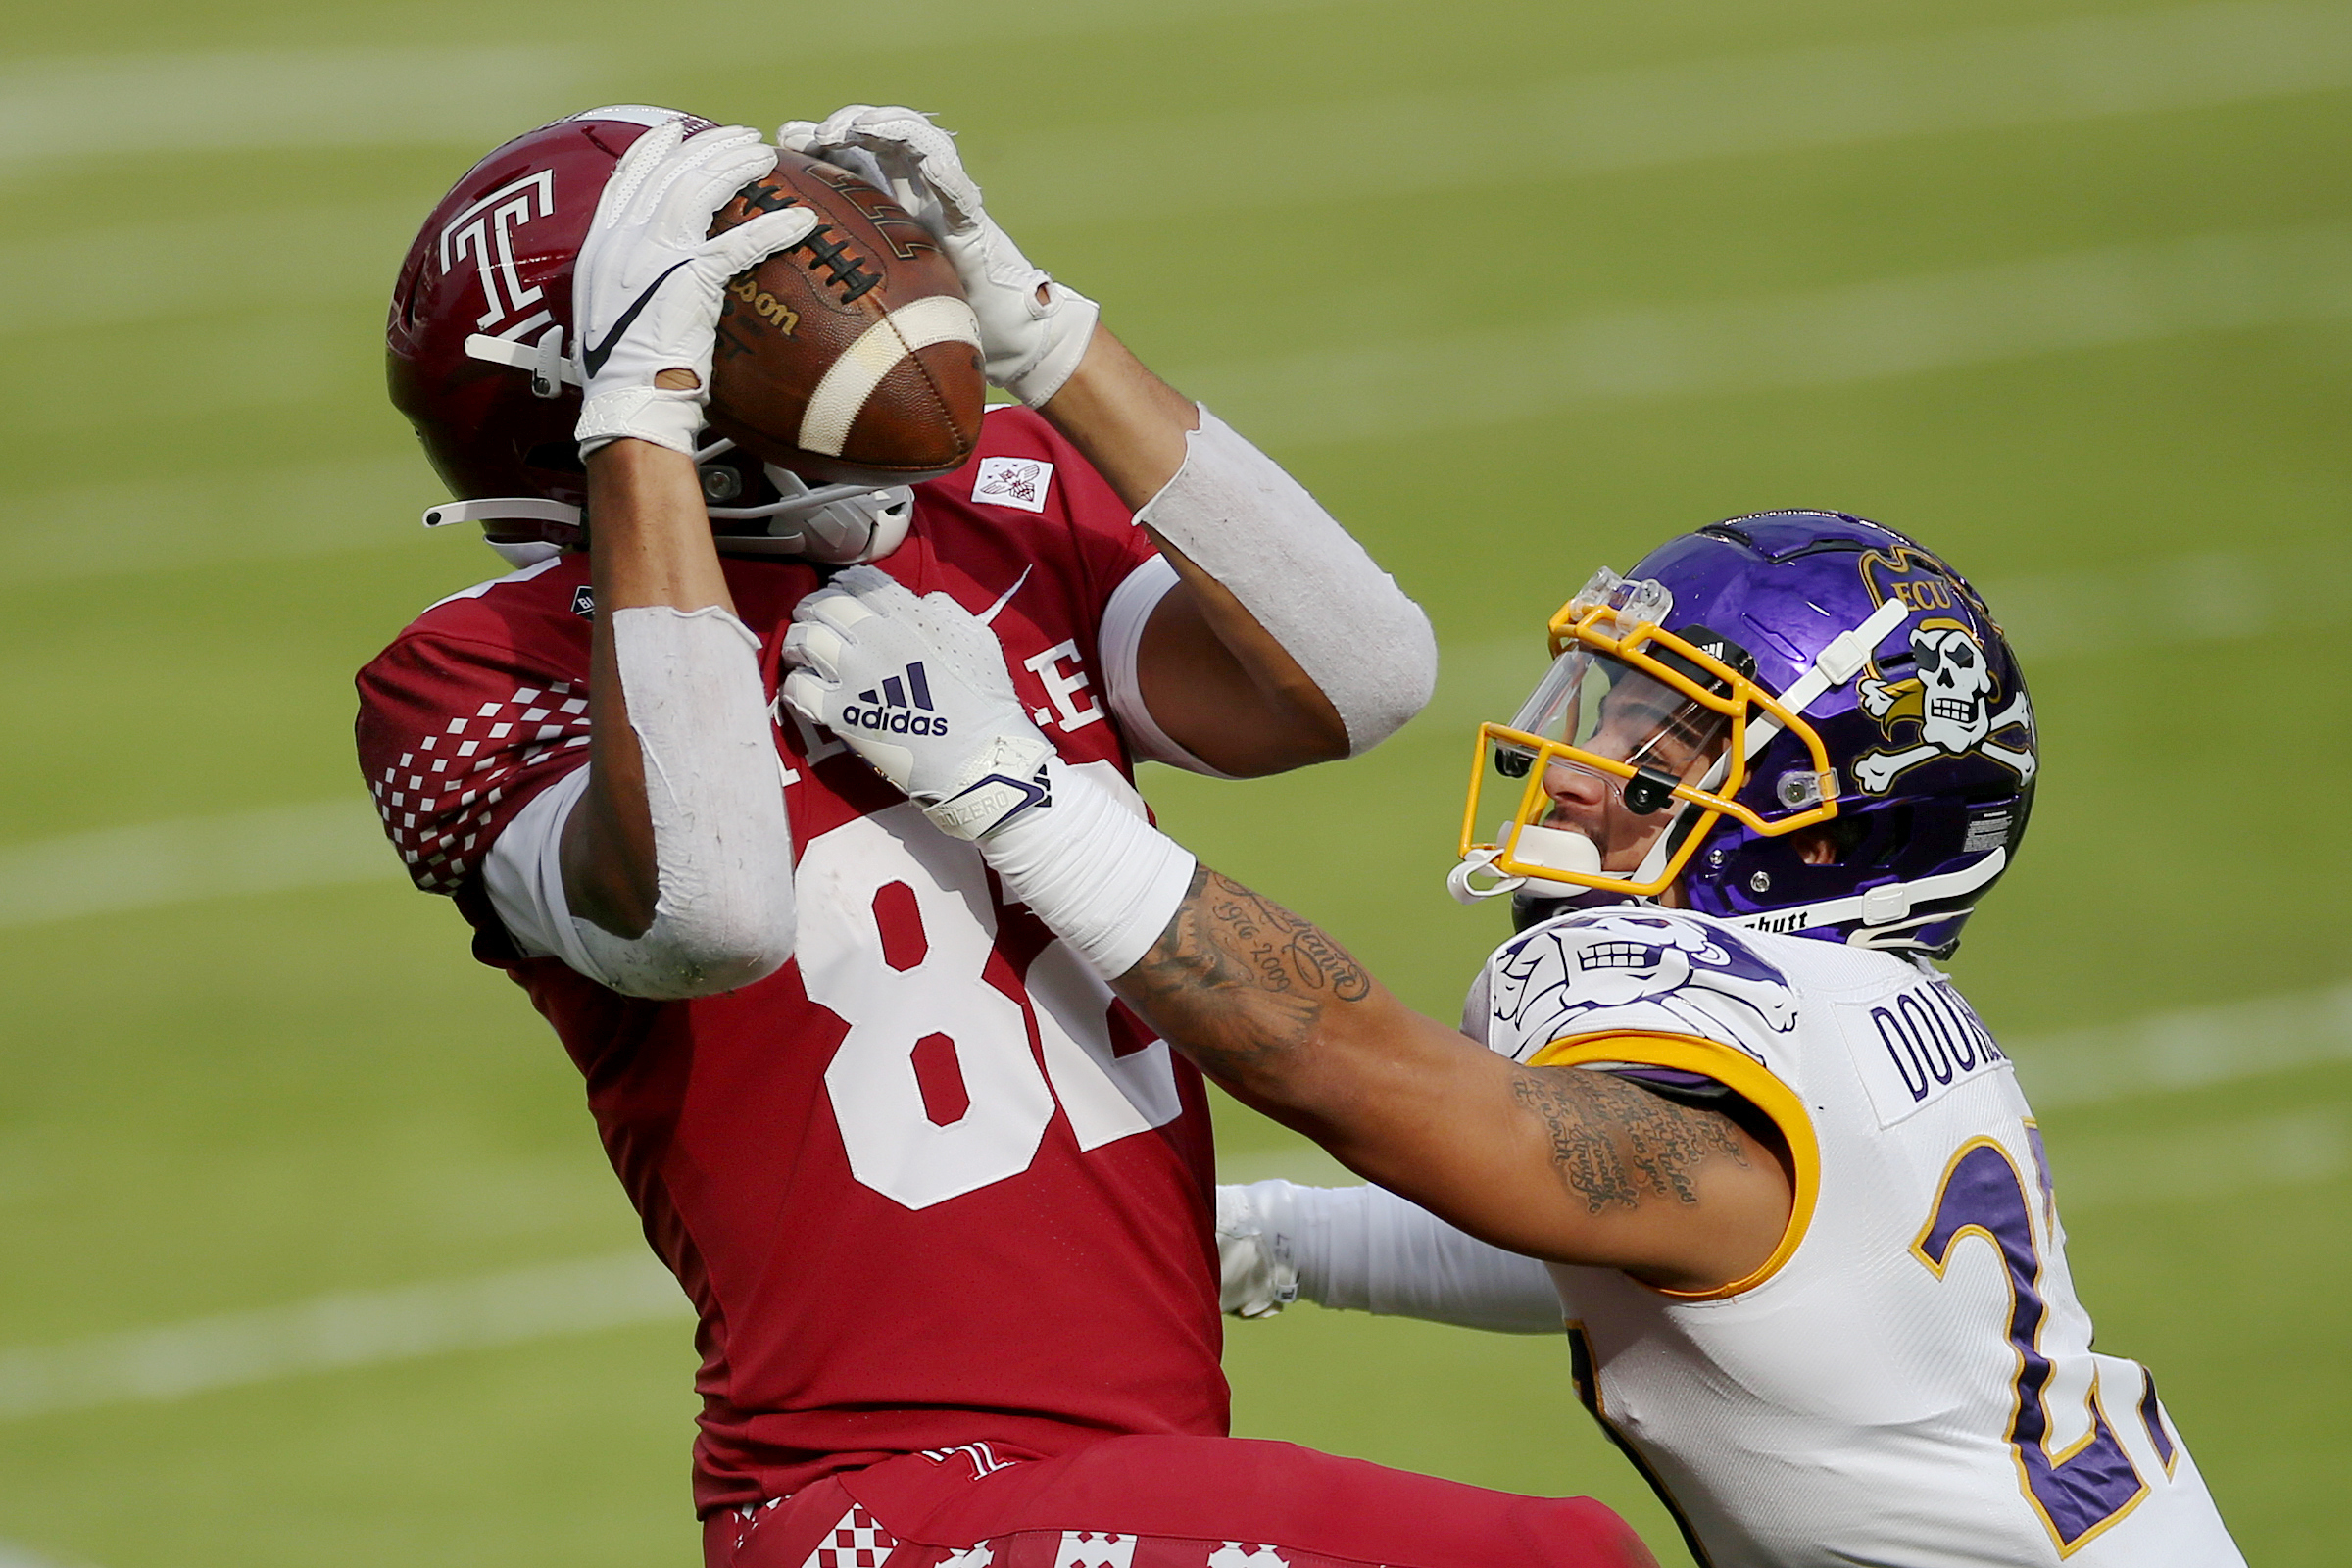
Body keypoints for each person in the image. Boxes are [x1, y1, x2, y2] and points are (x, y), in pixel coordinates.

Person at [358, 106, 1652, 1568]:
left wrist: (1040, 326)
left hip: (1137, 1461)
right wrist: (645, 415)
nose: (820, 282)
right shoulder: (476, 670)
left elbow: (1356, 678)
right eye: (728, 278)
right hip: (880, 1500)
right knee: (1548, 1558)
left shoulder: (975, 523)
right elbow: (710, 908)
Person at [778, 510, 2247, 1566]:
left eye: (1666, 746)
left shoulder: (1722, 1039)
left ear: (1821, 828)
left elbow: (1377, 1082)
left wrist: (1018, 795)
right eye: (1610, 707)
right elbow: (1624, 1240)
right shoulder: (1849, 1033)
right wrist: (1277, 1239)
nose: (1582, 763)